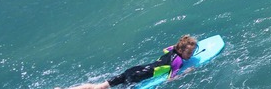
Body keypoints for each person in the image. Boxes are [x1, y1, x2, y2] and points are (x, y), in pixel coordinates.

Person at [62, 35, 198, 89]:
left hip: (134, 70)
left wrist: (178, 46)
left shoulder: (171, 50)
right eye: (189, 53)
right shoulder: (178, 61)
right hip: (137, 76)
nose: (190, 55)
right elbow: (170, 79)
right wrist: (187, 71)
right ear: (181, 51)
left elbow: (167, 48)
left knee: (100, 86)